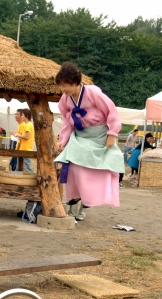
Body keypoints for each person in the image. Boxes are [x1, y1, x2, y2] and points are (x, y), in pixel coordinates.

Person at [54, 62, 124, 222]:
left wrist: (112, 134)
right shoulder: (65, 100)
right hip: (79, 136)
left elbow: (111, 111)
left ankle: (86, 203)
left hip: (98, 135)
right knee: (73, 167)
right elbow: (66, 122)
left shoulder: (93, 93)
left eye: (65, 85)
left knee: (94, 170)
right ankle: (75, 198)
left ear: (75, 82)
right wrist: (62, 140)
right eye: (60, 86)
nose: (62, 90)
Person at [11, 108, 35, 173]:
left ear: (26, 116)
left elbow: (27, 137)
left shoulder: (28, 125)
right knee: (20, 168)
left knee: (27, 169)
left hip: (26, 149)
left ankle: (38, 176)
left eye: (22, 115)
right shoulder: (27, 125)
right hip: (23, 149)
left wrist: (16, 134)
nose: (21, 116)